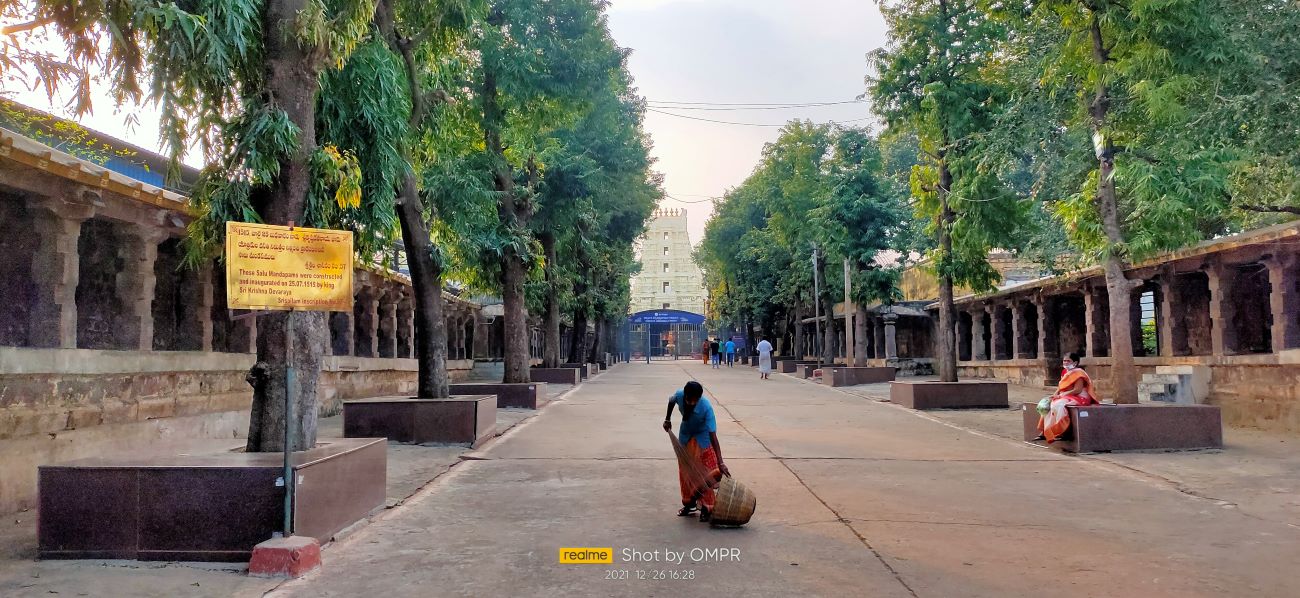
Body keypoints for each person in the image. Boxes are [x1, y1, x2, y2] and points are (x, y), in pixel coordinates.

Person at [663, 381, 729, 522]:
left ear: (699, 398)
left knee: (706, 475)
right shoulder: (679, 395)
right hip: (686, 435)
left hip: (702, 438)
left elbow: (713, 436)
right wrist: (667, 419)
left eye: (695, 400)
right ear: (685, 395)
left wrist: (721, 462)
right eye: (689, 399)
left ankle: (707, 508)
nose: (692, 403)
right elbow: (671, 400)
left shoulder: (706, 408)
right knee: (686, 473)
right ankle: (689, 504)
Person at [1035, 352, 1100, 443]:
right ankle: (1045, 432)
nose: (1065, 363)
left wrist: (1062, 395)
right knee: (1048, 404)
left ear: (1075, 363)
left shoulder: (1079, 373)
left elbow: (1077, 390)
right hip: (1067, 396)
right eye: (1064, 361)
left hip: (1080, 397)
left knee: (1058, 405)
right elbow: (1060, 388)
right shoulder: (1065, 372)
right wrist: (1054, 395)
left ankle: (1061, 431)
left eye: (1068, 361)